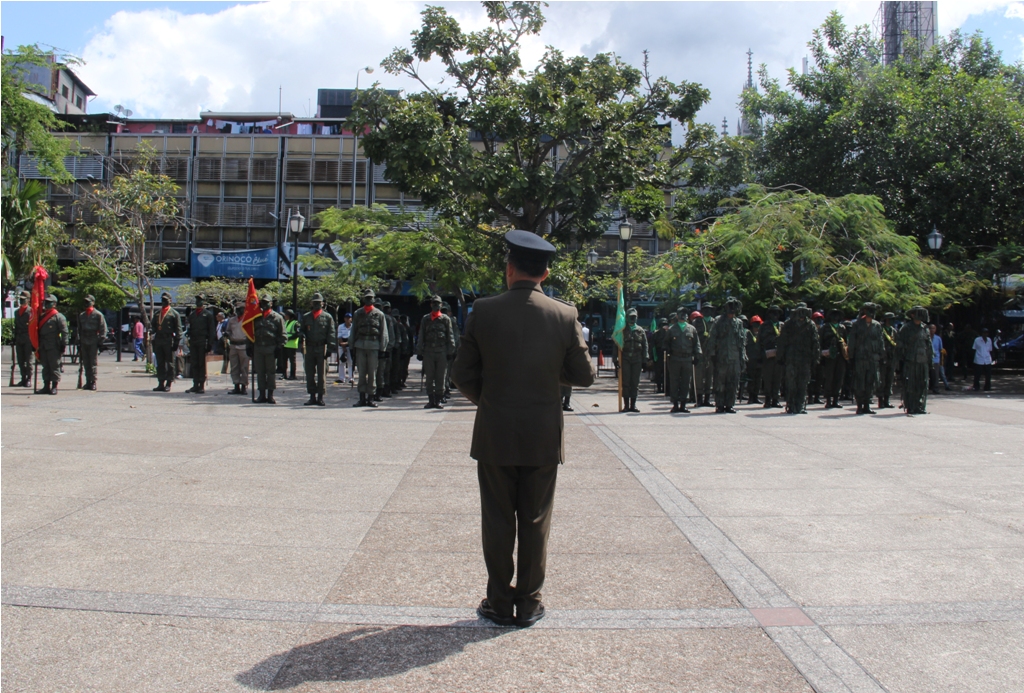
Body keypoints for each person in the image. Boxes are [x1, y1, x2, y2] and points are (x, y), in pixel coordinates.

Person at [451, 229, 594, 628]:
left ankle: (498, 601)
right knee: (535, 519)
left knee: (497, 518)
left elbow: (461, 373)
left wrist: (493, 401)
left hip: (496, 432)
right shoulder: (564, 315)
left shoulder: (484, 309)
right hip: (542, 434)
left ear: (510, 269)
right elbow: (584, 376)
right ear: (545, 274)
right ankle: (529, 603)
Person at [777, 303, 819, 414]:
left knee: (803, 383)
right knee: (791, 383)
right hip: (791, 358)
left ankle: (800, 405)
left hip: (805, 358)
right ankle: (791, 405)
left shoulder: (810, 325)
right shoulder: (789, 324)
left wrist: (815, 358)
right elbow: (782, 341)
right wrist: (780, 357)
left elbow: (815, 343)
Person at [706, 297, 746, 413]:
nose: (731, 314)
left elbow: (741, 341)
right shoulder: (719, 321)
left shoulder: (738, 323)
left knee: (733, 382)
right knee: (720, 382)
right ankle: (720, 404)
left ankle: (729, 405)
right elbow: (712, 337)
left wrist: (742, 357)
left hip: (734, 357)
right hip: (721, 357)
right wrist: (711, 353)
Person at [350, 289, 388, 408]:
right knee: (361, 373)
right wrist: (351, 347)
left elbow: (383, 332)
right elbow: (353, 330)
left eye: (370, 297)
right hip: (360, 345)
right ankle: (362, 398)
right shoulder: (358, 313)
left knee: (372, 373)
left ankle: (371, 398)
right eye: (366, 297)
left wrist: (383, 349)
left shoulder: (379, 314)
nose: (368, 300)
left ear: (374, 299)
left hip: (373, 346)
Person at [418, 294, 456, 409]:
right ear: (431, 305)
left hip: (442, 352)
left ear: (441, 305)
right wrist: (419, 351)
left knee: (441, 377)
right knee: (429, 377)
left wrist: (451, 351)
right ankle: (431, 400)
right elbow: (421, 336)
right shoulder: (426, 319)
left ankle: (438, 400)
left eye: (438, 303)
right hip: (429, 351)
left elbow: (450, 336)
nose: (436, 305)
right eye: (434, 303)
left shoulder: (445, 319)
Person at [846, 302, 884, 415]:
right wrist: (851, 356)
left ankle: (867, 405)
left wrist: (882, 355)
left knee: (870, 382)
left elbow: (880, 341)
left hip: (872, 358)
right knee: (859, 382)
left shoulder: (877, 325)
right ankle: (859, 406)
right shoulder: (857, 325)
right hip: (860, 358)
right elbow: (851, 341)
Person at [301, 293, 336, 406]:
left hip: (322, 347)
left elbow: (331, 333)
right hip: (310, 347)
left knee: (322, 374)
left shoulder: (327, 317)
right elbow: (302, 330)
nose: (317, 304)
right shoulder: (306, 316)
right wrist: (301, 335)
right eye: (315, 302)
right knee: (309, 373)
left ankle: (320, 396)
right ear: (312, 303)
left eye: (319, 302)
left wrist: (330, 348)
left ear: (323, 303)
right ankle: (312, 396)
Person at [896, 306, 933, 415]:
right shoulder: (906, 328)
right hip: (910, 360)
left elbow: (929, 345)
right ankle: (910, 406)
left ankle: (919, 406)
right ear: (912, 315)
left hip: (923, 360)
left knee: (922, 384)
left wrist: (930, 359)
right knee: (911, 385)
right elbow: (899, 344)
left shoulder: (925, 328)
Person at [252, 294, 286, 404]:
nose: (264, 304)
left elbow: (283, 334)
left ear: (271, 303)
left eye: (267, 302)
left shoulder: (277, 317)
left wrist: (279, 348)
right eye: (263, 302)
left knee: (271, 372)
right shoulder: (256, 317)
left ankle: (270, 395)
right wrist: (249, 346)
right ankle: (262, 394)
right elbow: (250, 333)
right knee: (260, 372)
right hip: (258, 348)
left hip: (271, 348)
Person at [667, 307, 701, 413]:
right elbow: (666, 343)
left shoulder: (692, 329)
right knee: (674, 381)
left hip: (687, 359)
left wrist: (697, 356)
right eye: (681, 313)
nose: (683, 315)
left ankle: (683, 404)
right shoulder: (672, 329)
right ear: (677, 315)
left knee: (686, 382)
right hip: (675, 358)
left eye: (685, 313)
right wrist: (667, 350)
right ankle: (675, 404)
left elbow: (697, 344)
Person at [36, 294, 69, 395]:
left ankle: (54, 386)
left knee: (54, 366)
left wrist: (64, 344)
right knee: (45, 366)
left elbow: (64, 331)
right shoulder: (42, 316)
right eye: (46, 302)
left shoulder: (59, 317)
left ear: (54, 304)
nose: (46, 304)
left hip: (53, 345)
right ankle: (46, 386)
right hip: (43, 345)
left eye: (49, 302)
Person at [151, 292, 182, 392]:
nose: (163, 302)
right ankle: (161, 382)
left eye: (166, 300)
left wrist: (177, 342)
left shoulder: (174, 314)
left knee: (170, 363)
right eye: (162, 300)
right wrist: (151, 332)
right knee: (160, 362)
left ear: (170, 301)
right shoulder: (157, 314)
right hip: (159, 339)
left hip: (169, 340)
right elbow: (153, 326)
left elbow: (178, 329)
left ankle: (169, 383)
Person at [620, 307, 649, 413]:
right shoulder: (622, 330)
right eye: (631, 317)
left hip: (637, 359)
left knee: (635, 383)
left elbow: (645, 345)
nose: (632, 319)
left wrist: (645, 360)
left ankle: (633, 404)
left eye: (634, 317)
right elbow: (616, 345)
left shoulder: (640, 330)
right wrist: (615, 359)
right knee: (626, 382)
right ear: (627, 318)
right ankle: (626, 405)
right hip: (626, 358)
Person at [186, 294, 216, 394]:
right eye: (197, 300)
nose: (198, 302)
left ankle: (201, 385)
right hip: (194, 341)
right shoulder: (192, 314)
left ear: (204, 302)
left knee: (201, 363)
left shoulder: (208, 314)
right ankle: (195, 384)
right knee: (194, 363)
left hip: (203, 341)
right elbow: (189, 328)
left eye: (200, 300)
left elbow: (212, 330)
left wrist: (210, 343)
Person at [77, 294, 107, 390]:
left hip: (93, 339)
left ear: (93, 303)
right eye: (85, 302)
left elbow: (103, 329)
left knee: (92, 362)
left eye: (88, 302)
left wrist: (101, 341)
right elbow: (79, 329)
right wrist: (78, 340)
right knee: (86, 362)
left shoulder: (98, 315)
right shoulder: (82, 315)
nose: (86, 304)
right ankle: (88, 381)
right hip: (84, 340)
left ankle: (93, 381)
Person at [819, 309, 847, 409]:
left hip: (840, 357)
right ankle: (828, 400)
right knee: (829, 378)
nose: (835, 318)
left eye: (837, 315)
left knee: (838, 378)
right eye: (833, 315)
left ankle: (836, 399)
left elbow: (846, 342)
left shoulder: (842, 328)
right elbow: (820, 342)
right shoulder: (824, 328)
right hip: (829, 356)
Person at [759, 306, 783, 408]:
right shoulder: (764, 325)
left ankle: (775, 399)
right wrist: (761, 355)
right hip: (768, 355)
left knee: (778, 378)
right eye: (773, 313)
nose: (775, 315)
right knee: (768, 378)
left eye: (777, 313)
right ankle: (768, 399)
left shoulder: (782, 325)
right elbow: (759, 341)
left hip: (779, 356)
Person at [224, 304, 250, 395]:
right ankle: (236, 385)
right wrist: (226, 334)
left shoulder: (248, 319)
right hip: (233, 345)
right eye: (237, 309)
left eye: (241, 309)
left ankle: (243, 386)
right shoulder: (232, 320)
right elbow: (228, 330)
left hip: (243, 345)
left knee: (244, 367)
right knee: (234, 367)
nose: (239, 311)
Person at [694, 303, 715, 407]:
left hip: (711, 354)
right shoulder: (697, 322)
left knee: (709, 377)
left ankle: (707, 398)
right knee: (699, 376)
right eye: (705, 309)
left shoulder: (715, 322)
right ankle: (699, 399)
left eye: (709, 309)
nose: (708, 311)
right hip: (700, 353)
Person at [877, 312, 898, 409]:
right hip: (882, 359)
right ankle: (880, 400)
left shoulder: (893, 331)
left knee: (890, 379)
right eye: (891, 319)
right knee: (882, 380)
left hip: (892, 358)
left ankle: (887, 400)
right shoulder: (880, 330)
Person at [13, 290, 34, 387]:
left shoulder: (31, 311)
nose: (21, 301)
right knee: (20, 360)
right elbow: (16, 326)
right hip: (19, 337)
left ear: (28, 300)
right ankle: (23, 378)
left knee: (29, 360)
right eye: (20, 300)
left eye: (23, 300)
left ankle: (29, 378)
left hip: (28, 338)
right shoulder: (17, 312)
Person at [442, 302, 460, 403]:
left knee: (448, 372)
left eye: (446, 311)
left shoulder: (452, 321)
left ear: (449, 312)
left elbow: (456, 336)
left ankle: (446, 388)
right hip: (439, 350)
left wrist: (454, 350)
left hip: (449, 350)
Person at [744, 315, 762, 404]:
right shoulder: (748, 333)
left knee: (758, 379)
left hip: (759, 360)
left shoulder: (761, 334)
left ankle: (756, 396)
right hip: (751, 360)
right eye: (755, 324)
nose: (756, 326)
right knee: (751, 379)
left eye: (758, 324)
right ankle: (751, 397)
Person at [929, 324, 950, 393]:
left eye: (933, 328)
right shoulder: (926, 338)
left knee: (935, 375)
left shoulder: (938, 338)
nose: (932, 330)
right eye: (931, 328)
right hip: (926, 359)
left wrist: (941, 360)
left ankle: (936, 388)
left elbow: (941, 349)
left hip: (935, 359)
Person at [280, 309, 300, 380]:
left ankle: (292, 375)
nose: (285, 316)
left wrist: (289, 338)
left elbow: (297, 334)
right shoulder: (286, 322)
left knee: (292, 361)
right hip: (285, 345)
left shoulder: (296, 323)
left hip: (292, 345)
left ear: (290, 316)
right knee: (284, 361)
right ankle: (284, 374)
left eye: (286, 315)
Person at [336, 311, 353, 384]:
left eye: (349, 318)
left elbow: (353, 337)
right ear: (344, 319)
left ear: (351, 319)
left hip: (350, 344)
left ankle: (350, 378)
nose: (348, 319)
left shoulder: (353, 327)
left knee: (350, 362)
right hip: (342, 344)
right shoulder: (341, 326)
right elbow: (339, 336)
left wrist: (346, 343)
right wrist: (342, 344)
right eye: (346, 318)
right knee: (341, 362)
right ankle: (341, 378)